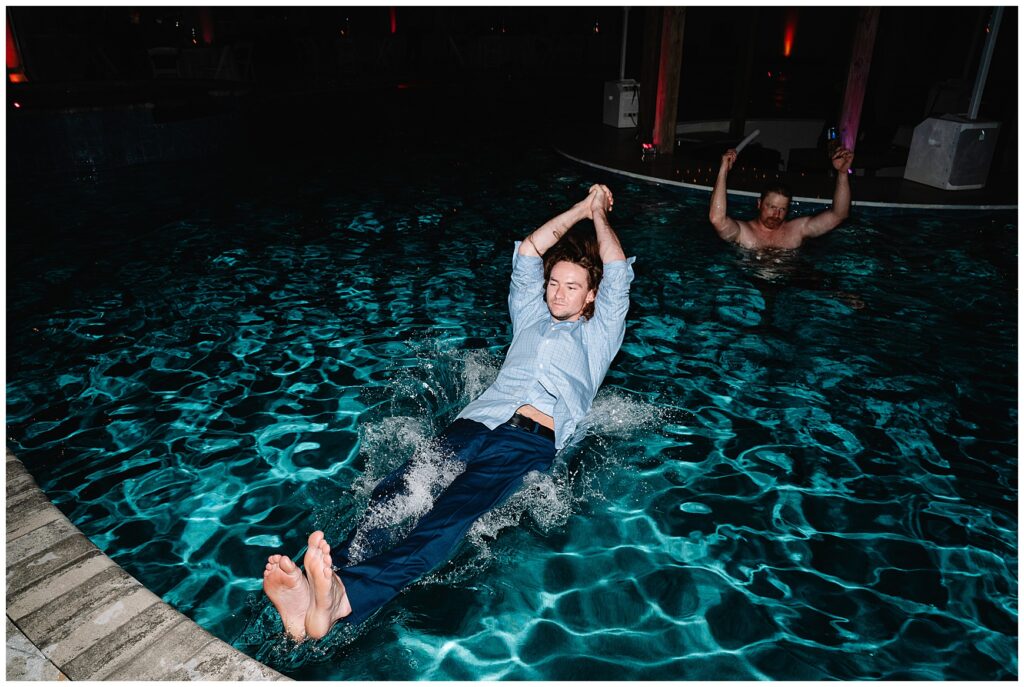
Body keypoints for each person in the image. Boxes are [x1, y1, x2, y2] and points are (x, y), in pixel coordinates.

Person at [262, 184, 635, 641]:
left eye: (571, 287)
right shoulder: (531, 315)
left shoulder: (600, 337)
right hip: (476, 423)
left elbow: (618, 271)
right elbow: (528, 252)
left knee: (446, 517)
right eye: (553, 284)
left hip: (527, 443)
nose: (557, 294)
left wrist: (599, 216)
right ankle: (316, 591)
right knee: (396, 491)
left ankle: (345, 596)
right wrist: (579, 207)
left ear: (592, 295)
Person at [709, 146, 855, 249]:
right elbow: (717, 219)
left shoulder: (797, 230)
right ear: (759, 204)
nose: (776, 214)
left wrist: (842, 173)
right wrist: (723, 170)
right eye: (771, 207)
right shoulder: (743, 233)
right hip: (749, 287)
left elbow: (839, 214)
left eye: (782, 209)